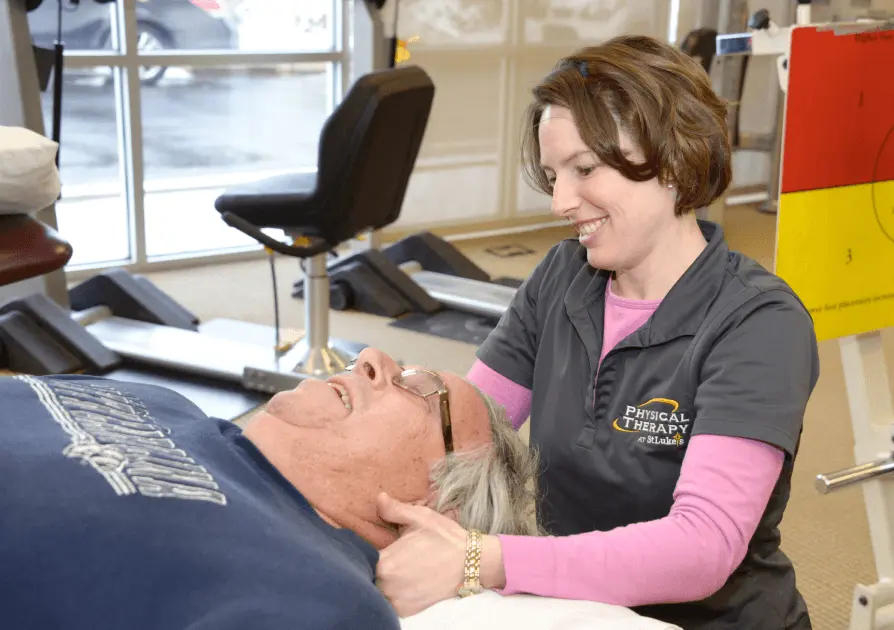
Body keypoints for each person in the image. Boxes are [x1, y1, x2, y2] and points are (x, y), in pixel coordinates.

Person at [374, 34, 820, 630]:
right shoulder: (563, 276)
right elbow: (466, 434)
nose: (560, 200)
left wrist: (485, 560)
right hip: (574, 611)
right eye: (554, 173)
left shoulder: (759, 323)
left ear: (674, 157)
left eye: (585, 169)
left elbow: (702, 548)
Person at [0, 348, 539, 629]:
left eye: (421, 390)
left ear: (433, 507)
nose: (372, 358)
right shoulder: (161, 401)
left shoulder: (321, 600)